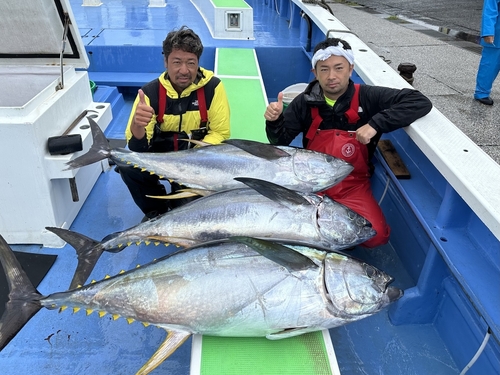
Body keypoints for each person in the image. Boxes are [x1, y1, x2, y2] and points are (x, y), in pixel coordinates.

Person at [264, 37, 432, 248]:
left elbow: (419, 102)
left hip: (352, 186)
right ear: (314, 73)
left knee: (375, 235)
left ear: (350, 69)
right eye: (324, 69)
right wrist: (274, 121)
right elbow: (280, 140)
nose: (331, 76)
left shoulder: (369, 96)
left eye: (338, 68)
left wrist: (376, 123)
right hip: (310, 183)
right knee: (287, 232)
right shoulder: (304, 102)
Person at [119, 26, 231, 221]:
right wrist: (138, 125)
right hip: (159, 159)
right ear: (166, 61)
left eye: (191, 63)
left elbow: (220, 132)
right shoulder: (150, 93)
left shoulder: (213, 88)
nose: (184, 70)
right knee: (128, 167)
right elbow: (137, 147)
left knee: (188, 213)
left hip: (196, 162)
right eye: (177, 62)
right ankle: (156, 209)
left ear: (198, 63)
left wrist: (192, 158)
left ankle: (181, 195)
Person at [474, 0, 500, 106]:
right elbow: (489, 10)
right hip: (497, 35)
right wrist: (488, 31)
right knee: (489, 65)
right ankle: (482, 93)